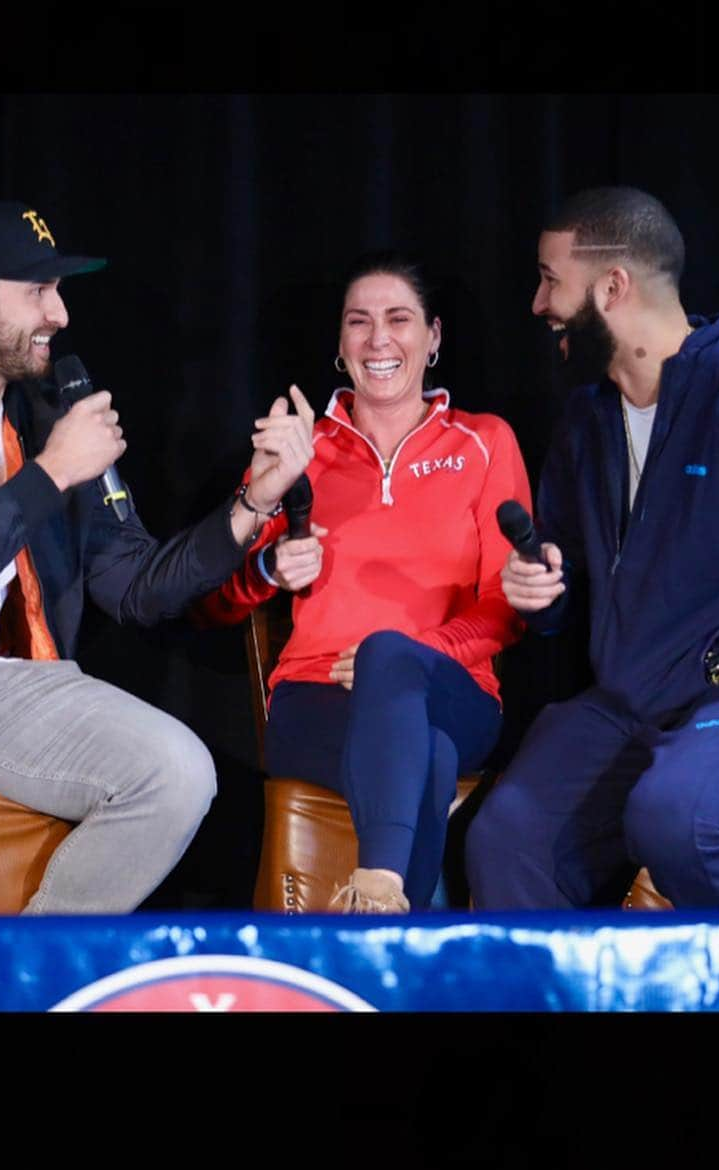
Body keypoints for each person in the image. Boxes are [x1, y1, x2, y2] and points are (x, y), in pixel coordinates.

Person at [0, 199, 314, 914]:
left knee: (177, 772)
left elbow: (136, 585)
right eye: (38, 291)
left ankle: (22, 979)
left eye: (60, 290)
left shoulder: (44, 413)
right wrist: (50, 473)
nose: (61, 313)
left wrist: (251, 505)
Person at [466, 186, 719, 910]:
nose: (538, 304)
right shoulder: (584, 422)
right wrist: (543, 591)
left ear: (613, 286)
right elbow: (568, 584)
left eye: (550, 279)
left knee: (678, 814)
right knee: (506, 835)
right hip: (643, 694)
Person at [196, 251, 532, 912]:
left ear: (432, 337)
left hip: (454, 691)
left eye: (399, 319)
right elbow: (213, 603)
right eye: (359, 322)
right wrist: (268, 568)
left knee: (392, 663)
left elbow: (508, 609)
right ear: (341, 343)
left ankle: (369, 922)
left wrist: (402, 661)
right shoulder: (301, 448)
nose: (379, 339)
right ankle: (395, 937)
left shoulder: (486, 441)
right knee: (425, 756)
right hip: (314, 696)